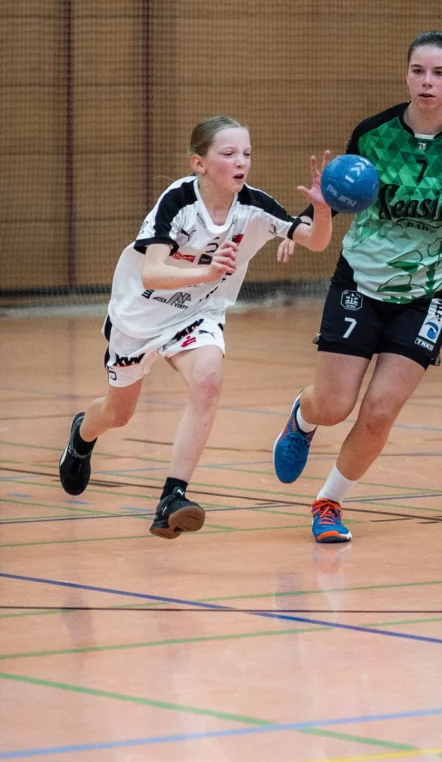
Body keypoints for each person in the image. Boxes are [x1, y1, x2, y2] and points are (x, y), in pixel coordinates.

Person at [273, 30, 442, 543]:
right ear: (406, 75)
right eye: (419, 71)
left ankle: (329, 502)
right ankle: (303, 419)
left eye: (439, 73)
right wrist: (306, 218)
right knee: (334, 406)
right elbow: (340, 197)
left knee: (379, 413)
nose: (428, 81)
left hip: (429, 292)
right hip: (361, 280)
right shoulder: (373, 135)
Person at [59, 116, 332, 539]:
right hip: (139, 315)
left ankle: (173, 496)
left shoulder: (254, 206)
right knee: (118, 413)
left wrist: (323, 208)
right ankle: (82, 433)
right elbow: (152, 272)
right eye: (229, 153)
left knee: (208, 382)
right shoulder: (179, 202)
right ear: (199, 163)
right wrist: (207, 273)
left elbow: (316, 240)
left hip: (197, 313)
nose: (241, 161)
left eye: (246, 153)